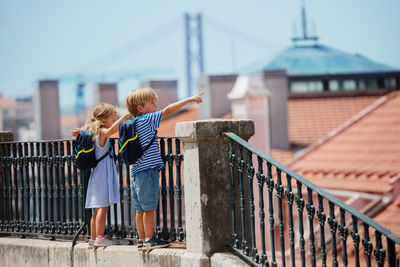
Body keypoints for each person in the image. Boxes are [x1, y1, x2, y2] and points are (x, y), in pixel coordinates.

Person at [125, 88, 204, 251]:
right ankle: (150, 239)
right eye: (152, 103)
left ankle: (141, 240)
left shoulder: (134, 123)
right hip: (148, 171)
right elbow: (168, 111)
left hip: (136, 172)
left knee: (140, 209)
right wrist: (188, 99)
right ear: (140, 108)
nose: (156, 106)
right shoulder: (147, 120)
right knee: (149, 208)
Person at [71, 103, 131, 247]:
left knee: (96, 208)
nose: (114, 120)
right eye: (112, 118)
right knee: (102, 207)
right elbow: (112, 129)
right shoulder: (102, 132)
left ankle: (92, 238)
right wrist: (126, 115)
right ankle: (100, 237)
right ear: (104, 120)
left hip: (96, 172)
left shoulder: (91, 132)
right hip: (103, 173)